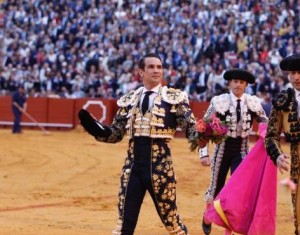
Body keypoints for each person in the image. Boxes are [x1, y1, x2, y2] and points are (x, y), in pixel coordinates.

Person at [78, 53, 197, 235]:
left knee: (172, 224)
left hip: (160, 168)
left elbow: (191, 129)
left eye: (159, 67)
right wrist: (97, 129)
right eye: (151, 67)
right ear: (141, 72)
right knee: (124, 224)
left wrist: (205, 133)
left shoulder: (175, 98)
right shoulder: (130, 99)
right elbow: (116, 133)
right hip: (132, 166)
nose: (156, 70)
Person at [199, 68, 269, 235]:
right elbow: (203, 128)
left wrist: (265, 136)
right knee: (216, 187)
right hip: (222, 150)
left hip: (242, 151)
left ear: (246, 85)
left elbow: (266, 123)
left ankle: (227, 229)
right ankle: (207, 216)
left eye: (242, 82)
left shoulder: (253, 103)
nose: (238, 85)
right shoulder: (218, 101)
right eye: (235, 81)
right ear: (229, 83)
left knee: (237, 191)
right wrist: (204, 153)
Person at [265, 53, 300, 235]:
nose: (297, 77)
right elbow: (271, 135)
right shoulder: (282, 101)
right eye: (293, 72)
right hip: (296, 163)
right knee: (299, 217)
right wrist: (277, 155)